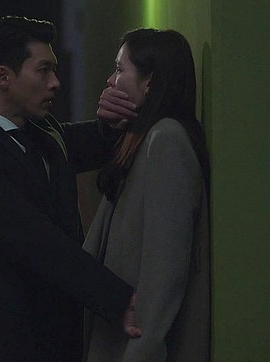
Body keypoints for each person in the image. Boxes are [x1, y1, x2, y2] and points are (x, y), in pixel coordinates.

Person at [0, 16, 141, 362]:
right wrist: (117, 299)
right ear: (3, 77)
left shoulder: (43, 133)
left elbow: (93, 141)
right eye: (43, 70)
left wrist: (120, 116)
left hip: (53, 338)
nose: (55, 83)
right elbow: (33, 238)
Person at [83, 28, 211, 361]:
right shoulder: (139, 139)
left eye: (120, 69)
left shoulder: (166, 139)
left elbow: (164, 271)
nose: (110, 81)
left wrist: (142, 350)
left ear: (150, 81)